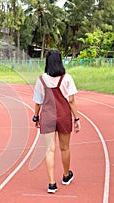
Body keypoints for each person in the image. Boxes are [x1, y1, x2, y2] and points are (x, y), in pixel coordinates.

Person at [32, 49, 81, 193]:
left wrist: (36, 117)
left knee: (49, 150)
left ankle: (52, 183)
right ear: (60, 61)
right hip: (64, 115)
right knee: (65, 147)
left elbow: (38, 101)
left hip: (47, 116)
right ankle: (66, 176)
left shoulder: (41, 79)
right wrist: (76, 118)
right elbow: (71, 100)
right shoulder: (67, 78)